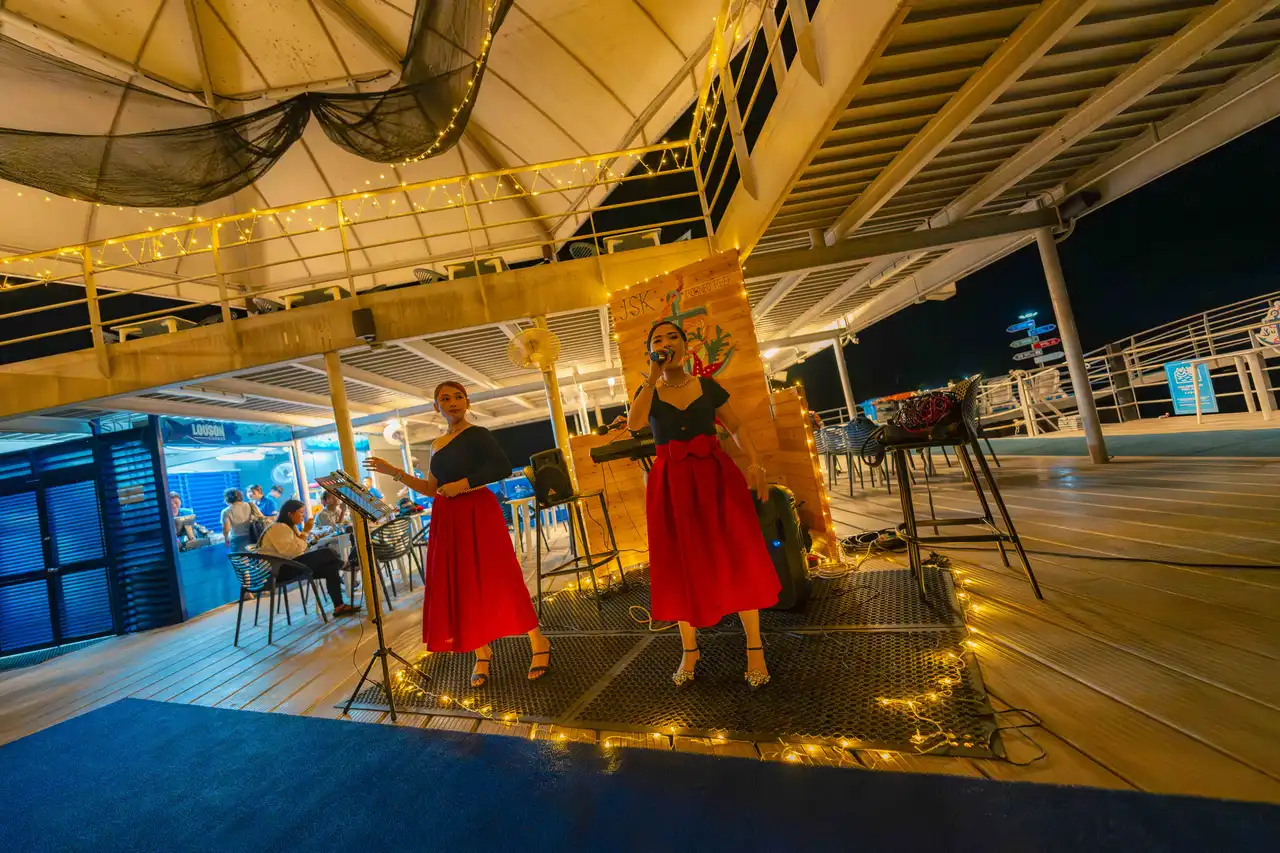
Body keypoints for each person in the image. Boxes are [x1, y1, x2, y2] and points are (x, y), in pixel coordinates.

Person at [365, 381, 550, 688]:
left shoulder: (478, 434)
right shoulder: (436, 444)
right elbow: (430, 488)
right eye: (445, 398)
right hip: (448, 517)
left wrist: (462, 485)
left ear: (467, 402)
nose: (453, 402)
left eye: (458, 397)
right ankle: (481, 650)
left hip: (478, 510)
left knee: (502, 575)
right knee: (460, 582)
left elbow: (502, 468)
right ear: (435, 407)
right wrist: (393, 471)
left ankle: (538, 641)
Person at [628, 320, 780, 689]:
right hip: (671, 484)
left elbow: (736, 427)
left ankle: (754, 647)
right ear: (650, 351)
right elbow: (635, 423)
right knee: (681, 562)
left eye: (673, 337)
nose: (666, 343)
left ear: (686, 345)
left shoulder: (708, 386)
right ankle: (689, 650)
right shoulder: (648, 390)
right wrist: (651, 378)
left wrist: (755, 462)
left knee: (737, 553)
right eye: (657, 340)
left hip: (715, 475)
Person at [257, 499, 361, 616]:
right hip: (277, 571)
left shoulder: (289, 528)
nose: (303, 516)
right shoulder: (278, 527)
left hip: (287, 566)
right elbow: (292, 552)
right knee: (327, 552)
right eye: (301, 512)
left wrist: (311, 542)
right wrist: (306, 531)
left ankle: (339, 606)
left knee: (331, 568)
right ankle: (347, 565)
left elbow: (299, 550)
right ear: (290, 514)